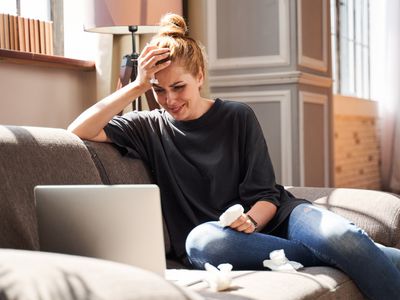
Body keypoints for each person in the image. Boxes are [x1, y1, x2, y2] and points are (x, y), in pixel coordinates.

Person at [68, 13, 400, 300]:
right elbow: (77, 131)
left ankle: (347, 250)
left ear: (199, 77)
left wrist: (252, 221)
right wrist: (137, 86)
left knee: (342, 236)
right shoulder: (147, 128)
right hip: (225, 241)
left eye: (178, 87)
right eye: (159, 90)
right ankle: (351, 255)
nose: (168, 99)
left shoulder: (238, 116)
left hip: (280, 219)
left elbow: (267, 196)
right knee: (200, 242)